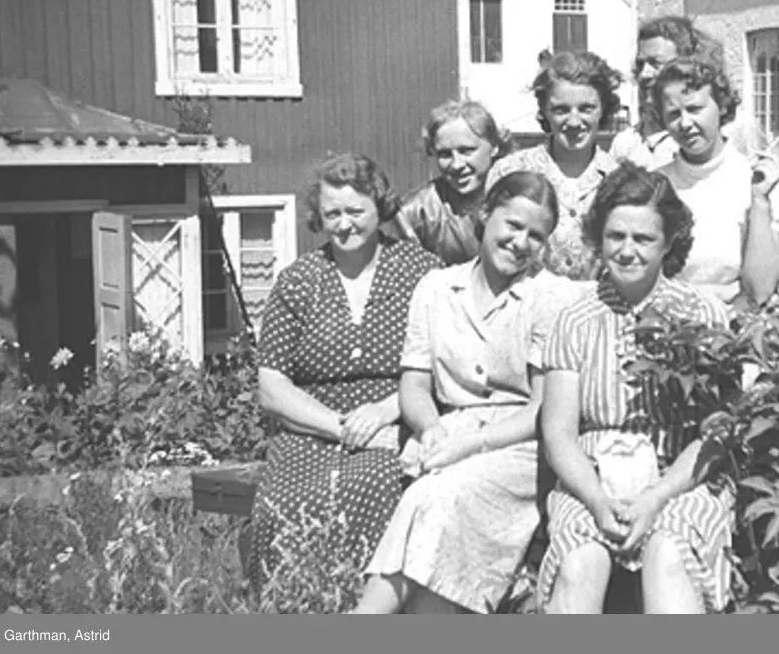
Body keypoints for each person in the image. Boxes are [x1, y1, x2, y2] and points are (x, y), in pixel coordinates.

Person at [354, 171, 584, 614]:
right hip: (449, 432)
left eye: (536, 236)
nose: (521, 242)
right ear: (484, 215)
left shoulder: (551, 297)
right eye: (513, 225)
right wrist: (431, 429)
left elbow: (542, 409)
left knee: (437, 495)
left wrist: (470, 444)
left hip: (521, 447)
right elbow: (414, 384)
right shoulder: (437, 288)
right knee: (438, 499)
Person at [537, 163, 739, 614]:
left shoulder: (701, 316)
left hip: (681, 478)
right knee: (579, 564)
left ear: (668, 243)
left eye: (643, 239)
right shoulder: (574, 319)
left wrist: (656, 498)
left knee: (669, 554)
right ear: (599, 237)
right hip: (591, 481)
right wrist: (596, 500)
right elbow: (558, 435)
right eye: (616, 236)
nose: (627, 251)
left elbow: (716, 432)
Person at [249, 153, 441, 609]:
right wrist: (341, 427)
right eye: (332, 213)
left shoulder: (421, 271)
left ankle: (370, 612)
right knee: (282, 501)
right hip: (311, 430)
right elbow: (272, 386)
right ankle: (298, 610)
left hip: (395, 421)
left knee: (375, 483)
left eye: (355, 211)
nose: (344, 224)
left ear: (380, 207)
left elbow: (445, 361)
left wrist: (388, 411)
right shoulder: (299, 281)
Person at [651, 55, 779, 307]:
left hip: (740, 324)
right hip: (668, 322)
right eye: (673, 114)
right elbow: (639, 282)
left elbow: (761, 290)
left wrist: (759, 203)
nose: (685, 123)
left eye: (695, 109)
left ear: (722, 106)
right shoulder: (654, 185)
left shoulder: (759, 180)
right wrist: (722, 293)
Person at [485, 50, 622, 280]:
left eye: (586, 109)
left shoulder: (620, 180)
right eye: (561, 110)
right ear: (545, 112)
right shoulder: (511, 171)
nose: (574, 121)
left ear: (603, 110)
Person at [610, 15, 774, 170]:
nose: (644, 74)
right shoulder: (627, 145)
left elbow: (774, 184)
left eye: (655, 63)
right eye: (640, 64)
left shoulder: (735, 129)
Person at [392, 99, 512, 266]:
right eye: (445, 154)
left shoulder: (521, 197)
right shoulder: (416, 213)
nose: (457, 165)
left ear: (494, 147)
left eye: (466, 151)